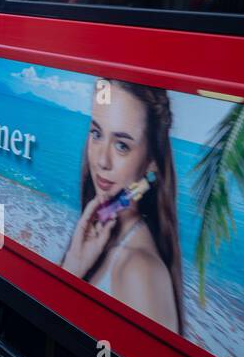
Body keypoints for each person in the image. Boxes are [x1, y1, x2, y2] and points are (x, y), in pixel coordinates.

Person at [60, 80, 183, 335]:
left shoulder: (140, 271)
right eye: (96, 134)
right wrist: (74, 265)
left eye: (122, 145)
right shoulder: (100, 238)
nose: (101, 160)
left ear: (151, 162)